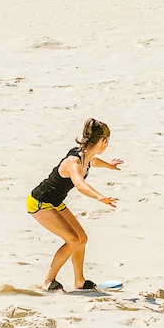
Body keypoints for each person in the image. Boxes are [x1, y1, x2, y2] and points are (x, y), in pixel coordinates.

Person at [26, 119, 123, 291]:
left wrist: (109, 166)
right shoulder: (74, 161)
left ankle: (79, 281)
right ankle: (47, 281)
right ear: (103, 141)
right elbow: (79, 184)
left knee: (82, 239)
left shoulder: (86, 156)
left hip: (55, 202)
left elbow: (93, 162)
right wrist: (100, 197)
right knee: (72, 240)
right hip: (40, 202)